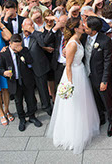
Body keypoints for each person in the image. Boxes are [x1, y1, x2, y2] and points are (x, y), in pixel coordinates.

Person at [46, 17, 100, 154]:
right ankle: (73, 134)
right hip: (74, 75)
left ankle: (85, 127)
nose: (84, 26)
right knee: (74, 105)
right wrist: (70, 84)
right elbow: (68, 66)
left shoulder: (79, 39)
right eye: (82, 25)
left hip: (80, 71)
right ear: (75, 28)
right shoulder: (72, 44)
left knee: (83, 103)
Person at [0, 34, 43, 131]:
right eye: (15, 47)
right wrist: (4, 72)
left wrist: (21, 51)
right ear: (10, 44)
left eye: (19, 46)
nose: (17, 49)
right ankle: (22, 119)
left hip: (27, 80)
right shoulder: (4, 54)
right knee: (18, 101)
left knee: (30, 99)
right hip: (14, 81)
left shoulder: (24, 50)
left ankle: (32, 116)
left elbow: (30, 61)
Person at [82, 16, 112, 137]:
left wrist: (104, 80)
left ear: (94, 30)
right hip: (87, 74)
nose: (84, 28)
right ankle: (100, 117)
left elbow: (107, 62)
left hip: (100, 75)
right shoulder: (84, 37)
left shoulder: (105, 41)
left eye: (86, 27)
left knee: (107, 100)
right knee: (94, 98)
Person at [21, 18, 53, 116]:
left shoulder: (37, 35)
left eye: (30, 27)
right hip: (26, 69)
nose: (27, 30)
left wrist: (33, 31)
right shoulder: (18, 37)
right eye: (26, 28)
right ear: (22, 27)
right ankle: (32, 108)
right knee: (29, 91)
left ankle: (47, 106)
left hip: (39, 66)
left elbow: (43, 43)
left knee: (43, 88)